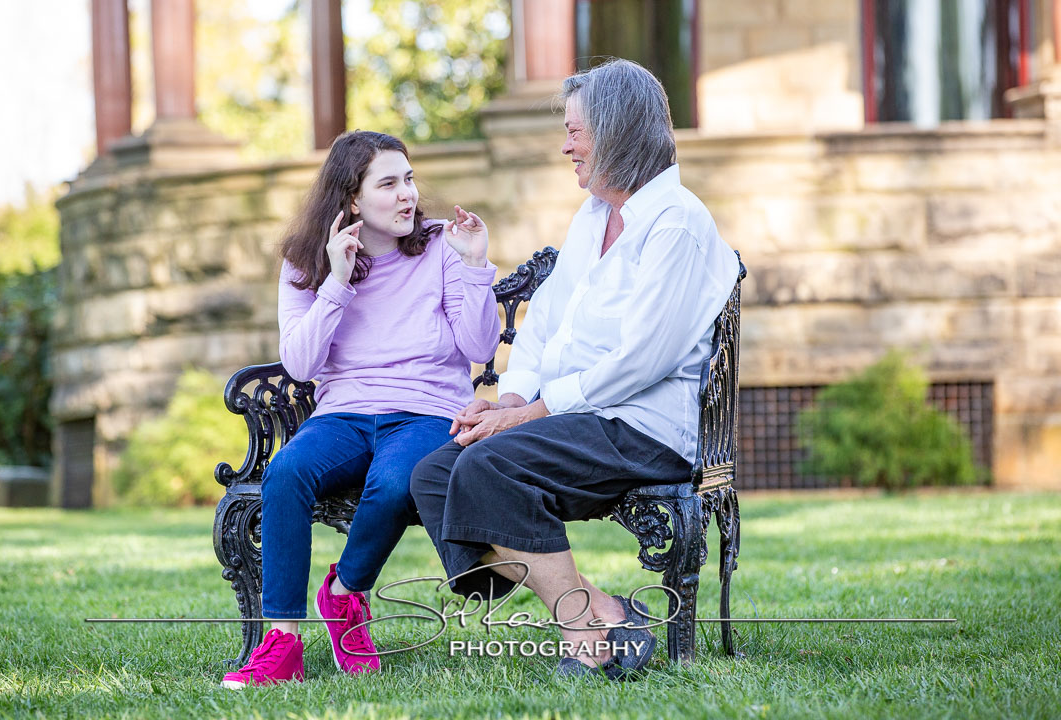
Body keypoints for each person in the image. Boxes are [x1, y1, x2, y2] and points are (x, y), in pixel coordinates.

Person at [409, 59, 741, 679]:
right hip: (580, 418)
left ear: (617, 131)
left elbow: (645, 358)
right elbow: (543, 324)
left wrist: (534, 413)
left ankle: (583, 634)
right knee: (435, 473)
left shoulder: (677, 223)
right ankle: (606, 613)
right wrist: (510, 399)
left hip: (642, 427)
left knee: (486, 465)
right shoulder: (593, 216)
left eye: (576, 131)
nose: (565, 146)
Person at [221, 131, 500, 689]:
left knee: (397, 481)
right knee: (285, 475)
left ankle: (345, 594)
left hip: (425, 411)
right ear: (352, 199)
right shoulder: (307, 259)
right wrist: (338, 283)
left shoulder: (442, 244)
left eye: (410, 180)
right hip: (343, 414)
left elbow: (479, 348)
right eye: (390, 183)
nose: (408, 196)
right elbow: (300, 365)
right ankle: (282, 644)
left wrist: (475, 263)